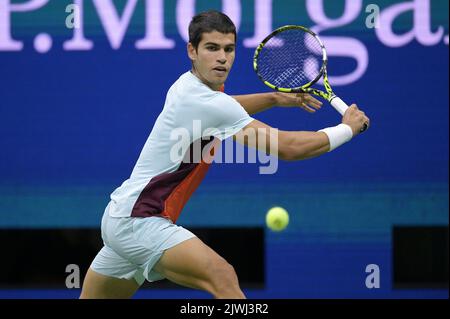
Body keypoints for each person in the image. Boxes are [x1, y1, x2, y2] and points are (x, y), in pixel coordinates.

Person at [80, 10, 369, 299]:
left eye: (229, 49)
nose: (222, 58)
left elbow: (223, 105)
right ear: (192, 51)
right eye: (212, 48)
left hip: (121, 218)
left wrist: (274, 98)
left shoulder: (187, 86)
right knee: (222, 276)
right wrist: (347, 129)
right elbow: (288, 148)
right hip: (140, 221)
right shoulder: (209, 103)